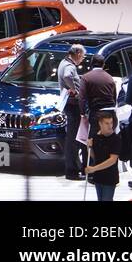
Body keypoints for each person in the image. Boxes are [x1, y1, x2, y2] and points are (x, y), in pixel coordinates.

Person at [57, 44, 86, 180]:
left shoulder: (63, 62)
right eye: (83, 56)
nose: (83, 59)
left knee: (71, 138)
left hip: (68, 104)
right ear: (78, 53)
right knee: (73, 139)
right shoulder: (70, 66)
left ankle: (73, 168)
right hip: (72, 104)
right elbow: (67, 76)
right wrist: (75, 89)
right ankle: (72, 171)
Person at [86, 111, 121, 202]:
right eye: (107, 123)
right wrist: (89, 147)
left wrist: (94, 169)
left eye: (111, 123)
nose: (110, 126)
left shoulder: (115, 139)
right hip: (98, 177)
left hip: (110, 177)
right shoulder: (96, 137)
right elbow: (94, 157)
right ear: (100, 123)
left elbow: (112, 160)